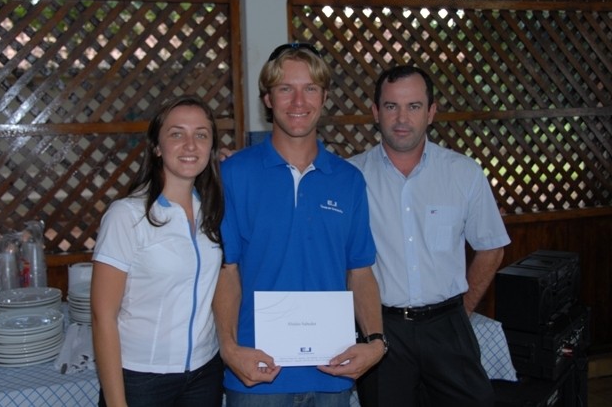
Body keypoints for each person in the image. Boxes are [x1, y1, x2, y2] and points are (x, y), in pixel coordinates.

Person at [212, 43, 386, 407]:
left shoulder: (348, 180)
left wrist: (376, 341)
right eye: (285, 89)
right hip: (256, 374)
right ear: (268, 99)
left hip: (332, 373)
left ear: (324, 98)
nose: (298, 101)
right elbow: (227, 272)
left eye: (309, 88)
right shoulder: (234, 175)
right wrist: (228, 348)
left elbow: (360, 270)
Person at [350, 65, 511, 407]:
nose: (402, 118)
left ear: (432, 111)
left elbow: (491, 248)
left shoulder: (463, 173)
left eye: (414, 106)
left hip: (448, 326)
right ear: (376, 112)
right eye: (391, 106)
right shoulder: (350, 176)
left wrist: (461, 311)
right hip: (381, 330)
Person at [91, 95, 225, 407]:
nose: (190, 145)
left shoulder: (213, 210)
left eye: (201, 135)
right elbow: (102, 317)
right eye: (177, 134)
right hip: (142, 378)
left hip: (205, 373)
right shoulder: (126, 215)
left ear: (212, 148)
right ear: (156, 146)